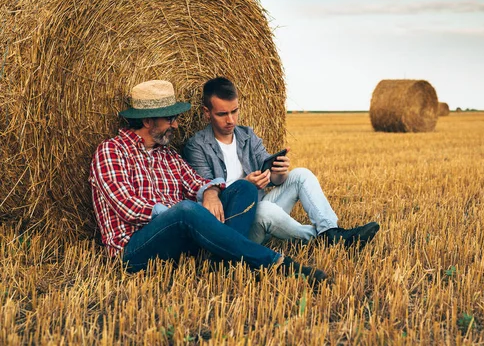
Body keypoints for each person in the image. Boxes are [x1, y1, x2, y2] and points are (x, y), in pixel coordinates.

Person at [89, 79, 327, 285]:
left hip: (178, 242)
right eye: (170, 119)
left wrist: (211, 192)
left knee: (243, 188)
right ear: (148, 121)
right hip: (135, 249)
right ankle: (276, 263)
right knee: (185, 209)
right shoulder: (111, 151)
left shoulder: (168, 155)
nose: (176, 125)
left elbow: (198, 182)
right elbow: (126, 206)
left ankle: (224, 262)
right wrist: (181, 214)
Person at [182, 77, 380, 246]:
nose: (231, 120)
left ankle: (330, 230)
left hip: (263, 207)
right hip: (235, 222)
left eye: (234, 111)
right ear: (206, 112)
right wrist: (245, 186)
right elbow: (207, 192)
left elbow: (274, 179)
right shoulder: (197, 146)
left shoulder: (247, 136)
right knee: (265, 209)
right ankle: (323, 239)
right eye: (222, 114)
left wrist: (279, 172)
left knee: (301, 174)